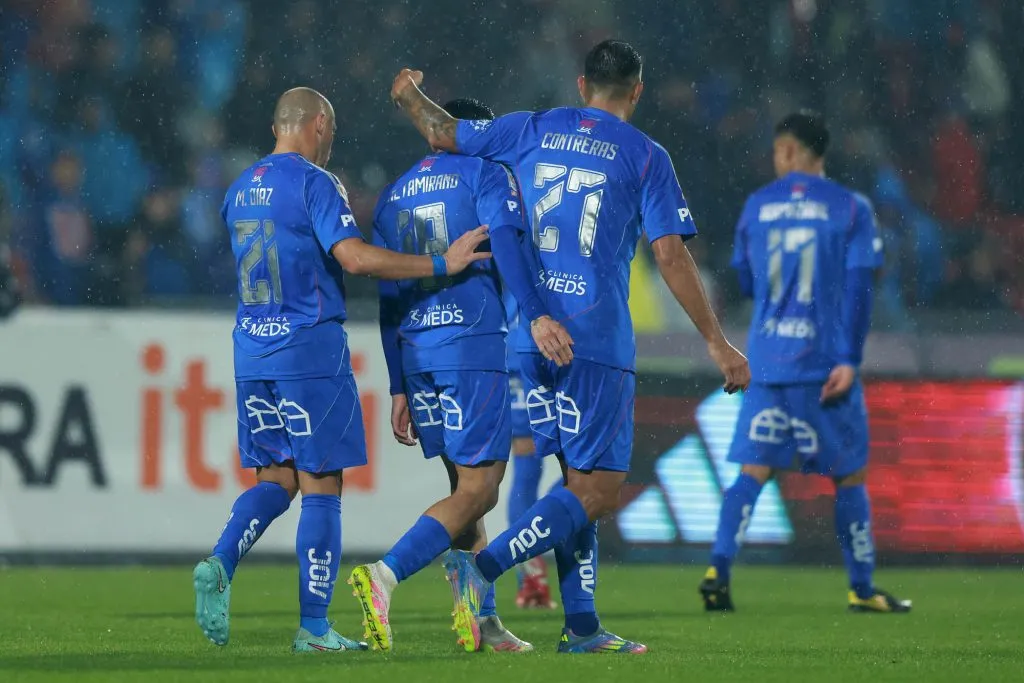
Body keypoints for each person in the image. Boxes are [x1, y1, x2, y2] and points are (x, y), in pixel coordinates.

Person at [389, 39, 751, 654]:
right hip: (593, 338)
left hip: (530, 332)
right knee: (597, 491)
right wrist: (717, 343)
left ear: (582, 86)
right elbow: (669, 254)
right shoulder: (645, 155)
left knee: (574, 486)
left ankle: (580, 625)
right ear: (636, 92)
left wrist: (408, 96)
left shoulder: (532, 127)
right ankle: (482, 569)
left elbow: (444, 133)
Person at [191, 87, 491, 654]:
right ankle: (314, 627)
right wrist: (440, 262)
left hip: (251, 350)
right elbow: (353, 258)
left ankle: (222, 561)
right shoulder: (316, 183)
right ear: (319, 125)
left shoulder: (239, 188)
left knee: (276, 479)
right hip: (308, 350)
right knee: (322, 485)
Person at [348, 97, 558, 653]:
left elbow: (388, 296)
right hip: (469, 346)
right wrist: (537, 312)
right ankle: (385, 576)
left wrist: (398, 382)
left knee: (463, 489)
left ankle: (482, 620)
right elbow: (506, 243)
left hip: (418, 353)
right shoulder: (485, 172)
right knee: (482, 489)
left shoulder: (393, 195)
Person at [699, 111, 911, 614]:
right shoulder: (850, 207)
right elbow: (861, 287)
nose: (776, 159)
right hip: (822, 365)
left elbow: (744, 280)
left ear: (790, 150)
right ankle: (862, 588)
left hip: (768, 363)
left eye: (778, 151)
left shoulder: (757, 205)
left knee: (754, 470)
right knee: (849, 475)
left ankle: (717, 571)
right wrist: (850, 357)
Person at [504, 287, 557, 610]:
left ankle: (531, 574)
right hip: (534, 352)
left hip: (529, 348)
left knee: (584, 469)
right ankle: (529, 574)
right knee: (529, 465)